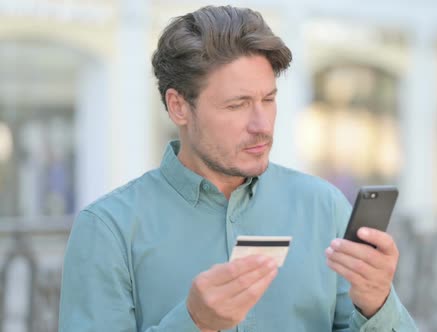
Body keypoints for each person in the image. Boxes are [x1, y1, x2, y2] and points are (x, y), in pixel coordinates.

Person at [58, 5, 417, 332]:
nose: (261, 124)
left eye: (269, 99)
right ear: (179, 107)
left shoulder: (324, 206)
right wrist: (194, 323)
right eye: (237, 105)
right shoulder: (108, 230)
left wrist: (377, 304)